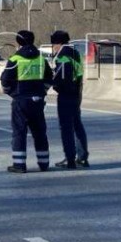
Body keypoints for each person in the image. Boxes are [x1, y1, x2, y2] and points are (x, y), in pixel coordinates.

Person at [0, 30, 53, 173]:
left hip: (21, 101)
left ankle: (19, 164)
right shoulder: (41, 58)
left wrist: (9, 91)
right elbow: (49, 77)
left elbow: (5, 79)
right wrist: (43, 91)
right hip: (38, 101)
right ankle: (44, 163)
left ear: (18, 42)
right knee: (40, 132)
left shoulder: (16, 59)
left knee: (19, 132)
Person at [49, 30, 89, 168]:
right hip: (77, 92)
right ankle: (82, 157)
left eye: (53, 44)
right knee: (77, 124)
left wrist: (54, 85)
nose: (53, 47)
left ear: (57, 43)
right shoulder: (75, 53)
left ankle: (70, 159)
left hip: (66, 94)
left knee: (66, 128)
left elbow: (61, 77)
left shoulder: (63, 56)